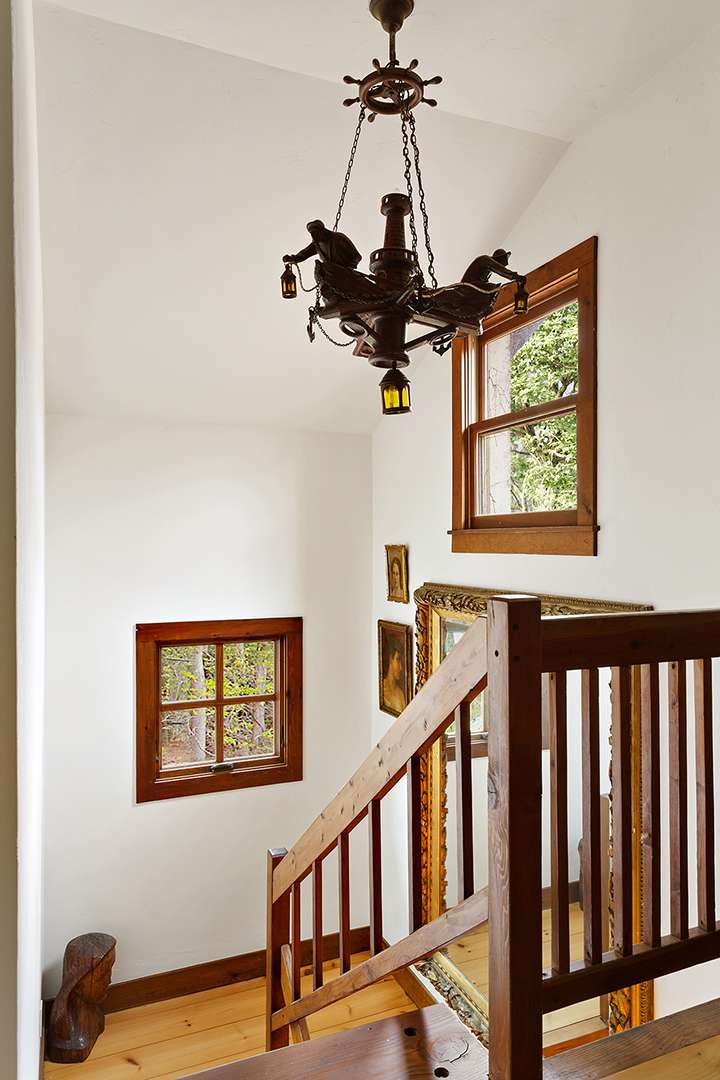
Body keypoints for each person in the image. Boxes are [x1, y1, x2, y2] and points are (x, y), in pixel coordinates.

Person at [383, 641, 407, 715]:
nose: (401, 668)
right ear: (390, 659)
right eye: (398, 659)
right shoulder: (382, 690)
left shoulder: (400, 694)